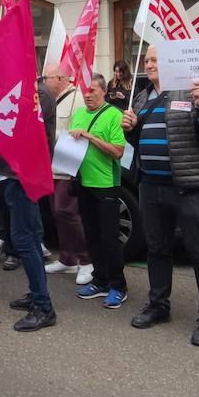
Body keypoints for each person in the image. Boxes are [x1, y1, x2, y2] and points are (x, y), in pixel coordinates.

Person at [122, 46, 199, 347]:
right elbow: (141, 141)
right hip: (150, 186)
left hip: (189, 188)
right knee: (156, 250)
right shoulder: (143, 97)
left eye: (155, 59)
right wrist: (131, 129)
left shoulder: (191, 91)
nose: (149, 64)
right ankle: (159, 306)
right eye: (147, 60)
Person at [0, 78, 59, 332]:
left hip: (24, 174)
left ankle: (43, 306)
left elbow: (23, 127)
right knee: (30, 237)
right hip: (15, 172)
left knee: (25, 238)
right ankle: (37, 294)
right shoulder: (23, 89)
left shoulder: (39, 94)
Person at [69, 74, 129, 309]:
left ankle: (118, 286)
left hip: (106, 185)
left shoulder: (114, 115)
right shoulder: (79, 114)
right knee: (91, 235)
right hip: (84, 183)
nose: (87, 94)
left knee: (109, 239)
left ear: (104, 92)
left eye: (92, 91)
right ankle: (100, 280)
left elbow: (118, 151)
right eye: (85, 91)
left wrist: (90, 136)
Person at [42, 62, 93, 286]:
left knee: (67, 212)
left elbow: (80, 134)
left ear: (60, 79)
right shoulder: (52, 101)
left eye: (47, 78)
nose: (44, 83)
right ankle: (67, 257)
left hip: (67, 167)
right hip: (51, 166)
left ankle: (86, 260)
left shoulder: (77, 99)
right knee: (57, 212)